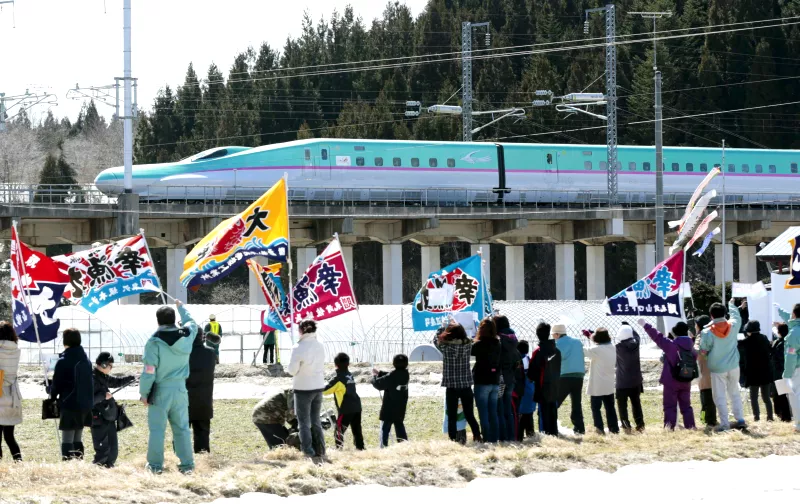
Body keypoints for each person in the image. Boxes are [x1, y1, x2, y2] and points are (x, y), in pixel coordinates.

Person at [139, 300, 197, 474]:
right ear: (174, 319)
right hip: (180, 390)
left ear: (158, 321)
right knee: (182, 428)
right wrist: (181, 307)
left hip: (160, 391)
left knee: (157, 429)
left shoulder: (154, 341)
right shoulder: (187, 334)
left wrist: (144, 393)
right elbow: (192, 322)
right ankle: (187, 465)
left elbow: (149, 371)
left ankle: (155, 466)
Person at [640, 320, 697, 430]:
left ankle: (669, 427)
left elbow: (657, 336)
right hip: (686, 379)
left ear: (676, 333)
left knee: (670, 406)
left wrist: (645, 325)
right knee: (686, 406)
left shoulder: (671, 345)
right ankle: (691, 427)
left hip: (671, 380)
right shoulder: (692, 347)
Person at [700, 299, 745, 431]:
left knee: (719, 396)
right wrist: (731, 304)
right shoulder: (734, 325)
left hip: (717, 368)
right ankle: (740, 419)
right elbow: (736, 315)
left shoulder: (707, 332)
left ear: (711, 315)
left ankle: (725, 424)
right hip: (734, 365)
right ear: (725, 313)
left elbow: (703, 351)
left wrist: (706, 356)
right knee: (734, 393)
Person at [433, 323, 482, 444]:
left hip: (451, 386)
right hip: (465, 385)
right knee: (469, 414)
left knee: (452, 416)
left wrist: (442, 328)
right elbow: (472, 339)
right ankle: (477, 435)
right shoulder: (468, 345)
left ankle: (453, 440)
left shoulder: (445, 347)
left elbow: (435, 340)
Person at [51, 328, 94, 460]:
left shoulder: (63, 360)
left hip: (70, 403)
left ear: (65, 341)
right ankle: (78, 462)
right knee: (77, 437)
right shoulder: (86, 360)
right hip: (86, 404)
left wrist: (51, 394)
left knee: (67, 439)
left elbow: (57, 384)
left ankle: (69, 465)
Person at [287, 319, 326, 458]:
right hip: (318, 386)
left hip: (303, 388)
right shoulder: (320, 345)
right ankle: (321, 449)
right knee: (316, 421)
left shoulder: (298, 347)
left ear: (301, 330)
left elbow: (292, 370)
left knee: (303, 423)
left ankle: (308, 451)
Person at [90, 352, 135, 467]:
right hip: (98, 418)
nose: (111, 368)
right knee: (102, 450)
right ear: (104, 365)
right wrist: (103, 396)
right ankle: (98, 469)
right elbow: (88, 400)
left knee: (112, 450)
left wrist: (130, 379)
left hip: (108, 417)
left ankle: (109, 465)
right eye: (111, 366)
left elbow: (115, 382)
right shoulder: (92, 378)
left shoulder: (102, 376)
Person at [324, 352, 364, 450]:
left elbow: (325, 391)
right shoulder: (349, 375)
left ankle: (339, 449)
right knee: (357, 429)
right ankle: (360, 448)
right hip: (357, 406)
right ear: (348, 364)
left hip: (346, 409)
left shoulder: (338, 378)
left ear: (335, 364)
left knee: (338, 430)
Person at [583, 328, 619, 435]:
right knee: (610, 408)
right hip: (609, 383)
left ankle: (599, 429)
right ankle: (614, 429)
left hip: (597, 385)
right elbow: (600, 344)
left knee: (596, 408)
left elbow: (584, 350)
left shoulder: (596, 350)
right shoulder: (613, 348)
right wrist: (590, 336)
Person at [187, 327, 217, 453]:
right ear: (202, 337)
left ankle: (182, 457)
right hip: (204, 398)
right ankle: (203, 457)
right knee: (203, 433)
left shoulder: (182, 353)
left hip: (184, 398)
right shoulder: (210, 353)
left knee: (181, 433)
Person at [471, 319, 500, 443]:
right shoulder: (498, 343)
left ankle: (487, 438)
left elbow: (471, 351)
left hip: (482, 381)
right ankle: (495, 438)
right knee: (493, 412)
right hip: (495, 380)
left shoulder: (479, 344)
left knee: (483, 412)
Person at [528, 322, 561, 436]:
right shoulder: (557, 351)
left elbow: (531, 374)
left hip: (542, 387)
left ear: (537, 334)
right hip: (555, 385)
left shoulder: (538, 352)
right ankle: (554, 433)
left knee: (543, 413)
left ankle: (545, 434)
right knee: (553, 411)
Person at [739, 320, 774, 422]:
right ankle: (770, 417)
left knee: (754, 397)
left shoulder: (746, 341)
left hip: (752, 373)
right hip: (765, 372)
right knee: (766, 397)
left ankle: (757, 417)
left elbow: (738, 346)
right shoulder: (764, 338)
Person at [372, 354, 410, 447]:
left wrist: (374, 377)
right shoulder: (405, 374)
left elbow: (378, 384)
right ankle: (404, 444)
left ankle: (383, 445)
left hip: (390, 407)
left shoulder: (392, 376)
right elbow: (392, 376)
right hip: (401, 406)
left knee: (386, 428)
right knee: (399, 425)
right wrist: (380, 373)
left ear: (394, 363)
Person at [553, 324, 586, 435]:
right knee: (576, 403)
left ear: (557, 334)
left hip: (564, 376)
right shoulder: (577, 342)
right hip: (579, 375)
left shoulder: (557, 344)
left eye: (554, 335)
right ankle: (579, 428)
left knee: (556, 401)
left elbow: (555, 359)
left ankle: (551, 426)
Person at [774, 304, 800, 432]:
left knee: (795, 396)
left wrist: (787, 374)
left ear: (794, 314)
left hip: (797, 369)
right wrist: (780, 309)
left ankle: (799, 424)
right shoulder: (794, 327)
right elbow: (789, 319)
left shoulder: (793, 333)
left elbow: (791, 356)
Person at [495, 315, 520, 442]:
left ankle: (502, 436)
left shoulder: (499, 340)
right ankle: (511, 436)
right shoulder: (513, 339)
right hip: (510, 379)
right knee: (508, 410)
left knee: (499, 409)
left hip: (500, 379)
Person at [615, 323, 644, 433]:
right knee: (636, 403)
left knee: (622, 405)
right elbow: (637, 336)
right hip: (636, 380)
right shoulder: (636, 343)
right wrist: (629, 326)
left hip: (622, 381)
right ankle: (640, 424)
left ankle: (626, 424)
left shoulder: (618, 348)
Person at [0, 321, 22, 462]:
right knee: (9, 436)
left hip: (0, 393)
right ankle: (18, 462)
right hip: (12, 395)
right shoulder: (16, 350)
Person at [694, 315, 717, 427]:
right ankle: (710, 419)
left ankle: (708, 420)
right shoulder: (714, 333)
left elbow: (697, 350)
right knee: (712, 397)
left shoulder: (701, 335)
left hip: (705, 371)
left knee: (706, 398)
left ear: (698, 326)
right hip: (716, 369)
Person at [513, 340, 536, 441]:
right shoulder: (528, 359)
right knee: (529, 415)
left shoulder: (519, 360)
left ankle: (520, 437)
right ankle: (531, 435)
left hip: (522, 391)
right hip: (530, 390)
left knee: (521, 416)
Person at [771, 323, 792, 422]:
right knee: (782, 395)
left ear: (779, 332)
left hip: (779, 372)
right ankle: (782, 414)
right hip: (785, 371)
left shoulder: (779, 344)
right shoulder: (787, 342)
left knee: (781, 395)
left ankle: (785, 416)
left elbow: (777, 359)